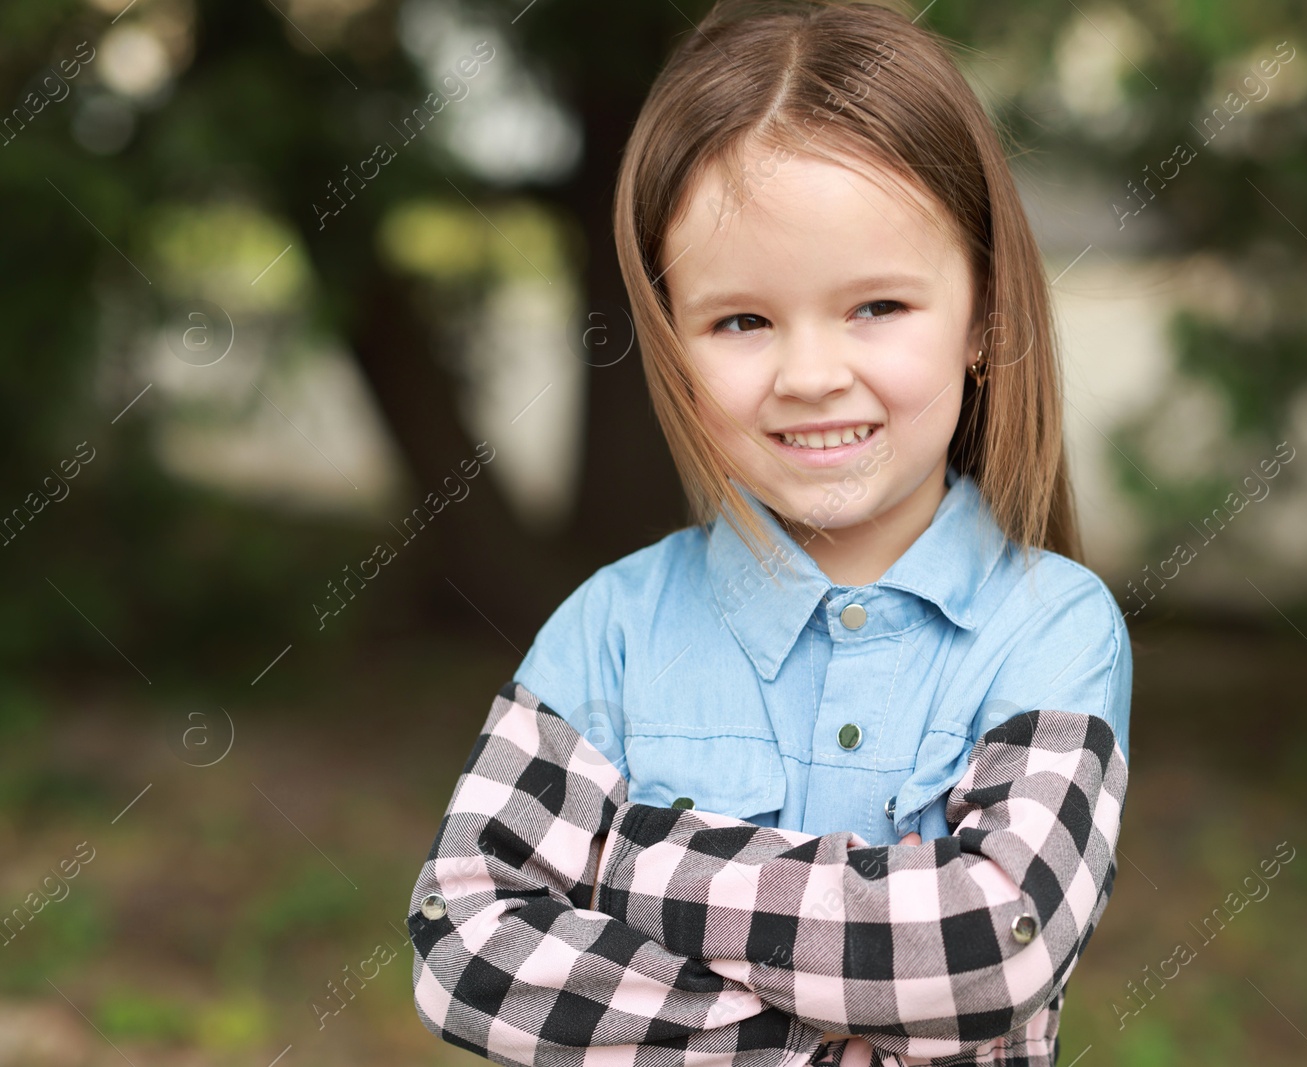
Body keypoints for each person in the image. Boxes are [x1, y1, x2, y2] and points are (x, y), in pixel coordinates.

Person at [406, 2, 1132, 1065]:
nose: (808, 375)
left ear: (981, 315)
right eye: (741, 320)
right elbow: (464, 943)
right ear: (672, 339)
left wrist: (636, 862)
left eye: (876, 305)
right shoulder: (613, 625)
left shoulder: (1051, 626)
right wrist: (814, 1045)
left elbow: (991, 944)